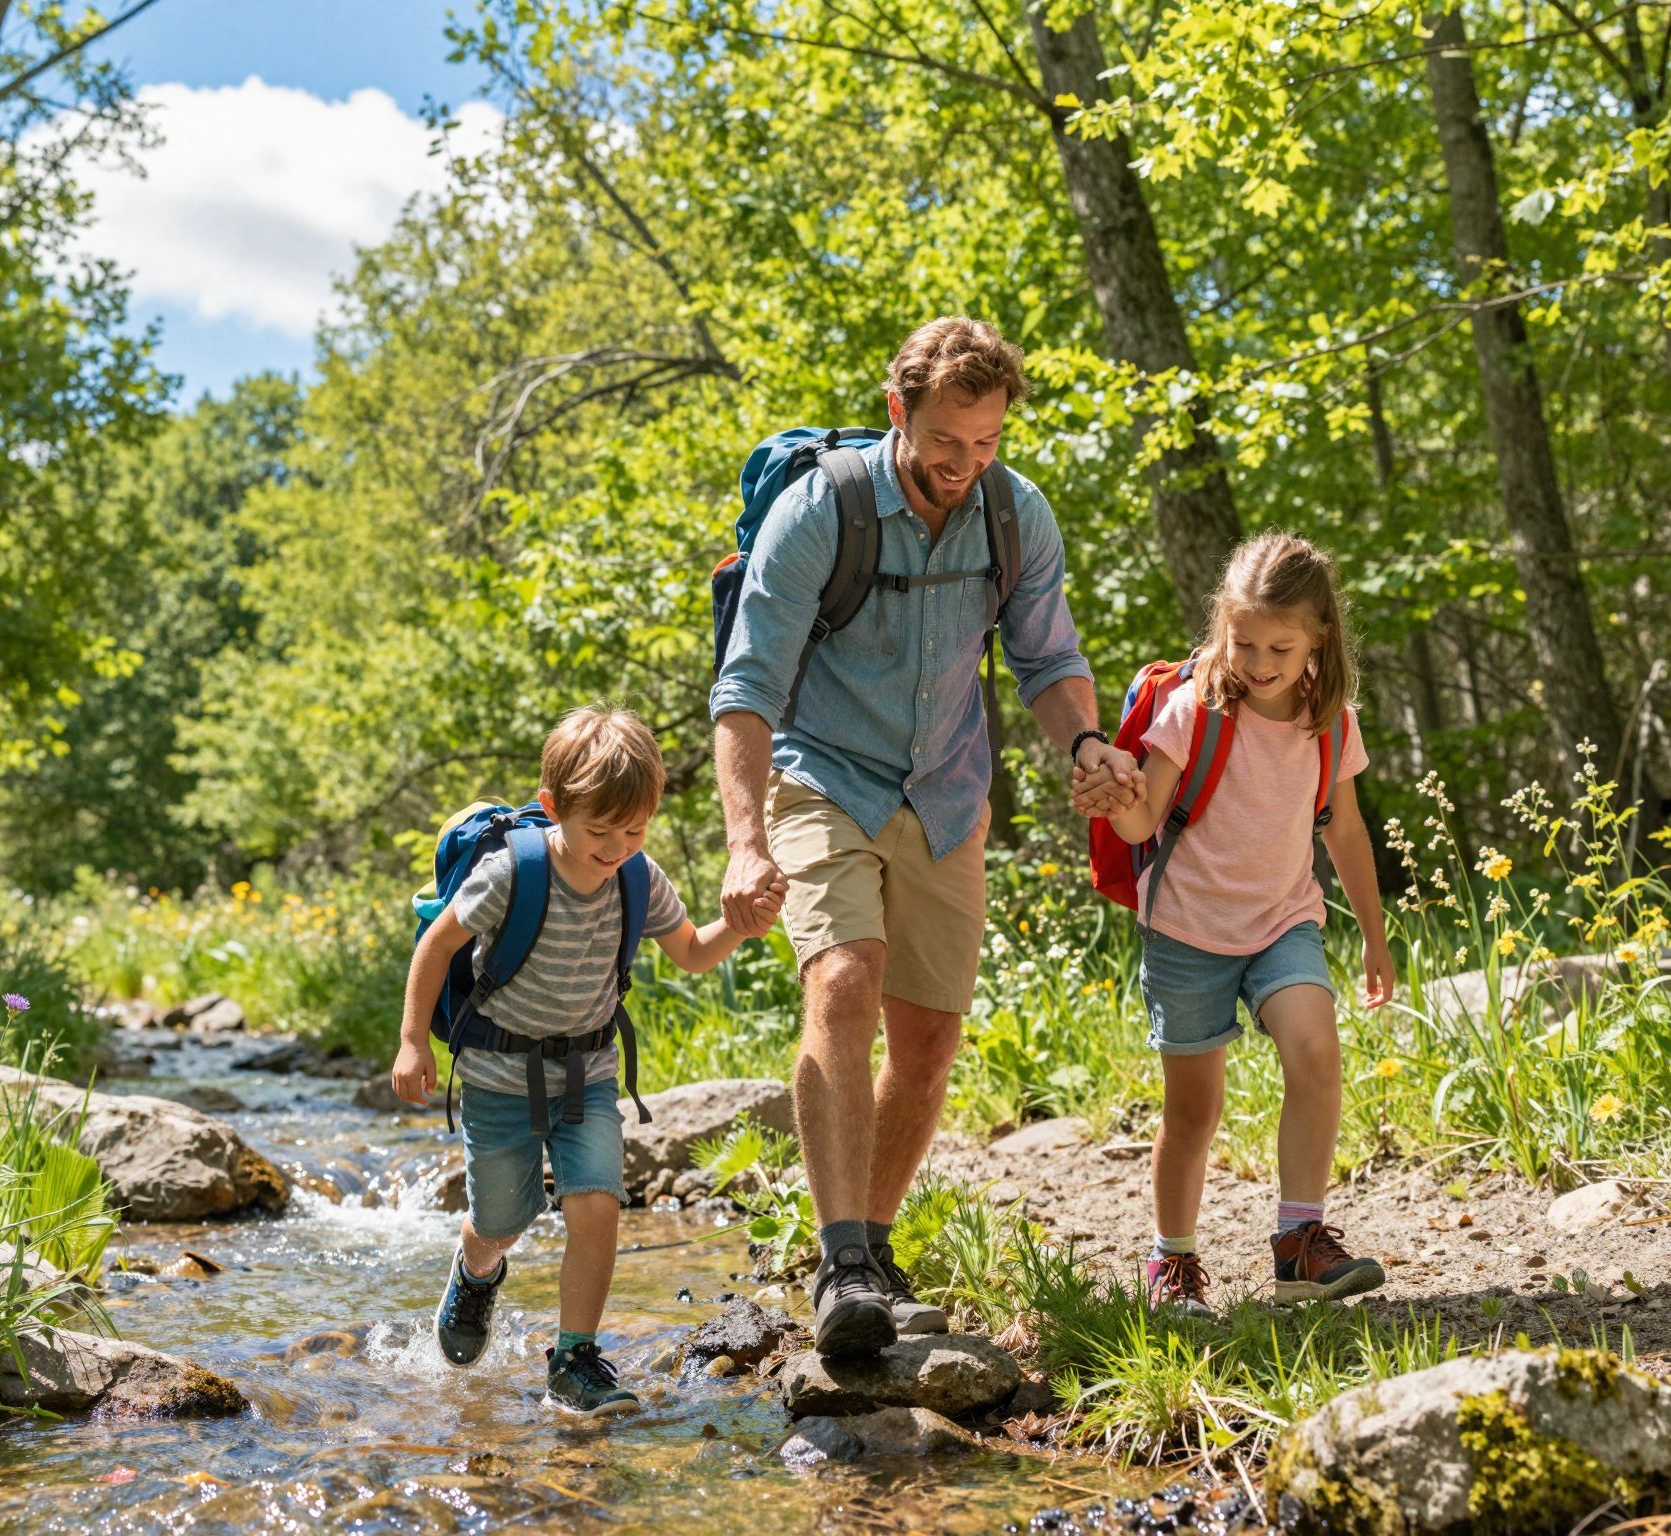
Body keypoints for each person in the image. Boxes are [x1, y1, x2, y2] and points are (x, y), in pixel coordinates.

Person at [711, 317, 1144, 1357]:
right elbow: (747, 686)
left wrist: (1083, 741)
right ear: (898, 409)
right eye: (947, 443)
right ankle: (840, 1258)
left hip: (948, 792)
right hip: (823, 775)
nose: (965, 465)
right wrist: (742, 840)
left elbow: (1047, 658)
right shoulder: (824, 508)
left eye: (986, 443)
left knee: (929, 1038)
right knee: (842, 979)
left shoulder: (1013, 512)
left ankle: (876, 1249)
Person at [393, 707, 780, 1414]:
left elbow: (692, 951)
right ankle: (477, 1272)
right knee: (502, 1218)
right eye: (600, 831)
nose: (617, 848)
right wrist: (413, 1040)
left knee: (598, 1205)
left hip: (587, 1074)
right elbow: (437, 945)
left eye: (634, 831)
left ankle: (573, 1359)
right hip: (496, 1077)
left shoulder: (639, 877)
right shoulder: (513, 874)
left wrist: (740, 925)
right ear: (553, 809)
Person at [1080, 532, 1395, 1315]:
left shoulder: (1332, 722)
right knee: (1193, 1110)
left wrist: (1376, 938)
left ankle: (1298, 1242)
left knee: (1316, 1048)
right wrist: (1117, 802)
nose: (1258, 662)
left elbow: (1345, 831)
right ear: (1224, 626)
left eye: (1280, 647)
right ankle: (1174, 1259)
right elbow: (1145, 815)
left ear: (1320, 634)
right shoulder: (1193, 711)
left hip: (1283, 921)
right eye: (1243, 641)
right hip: (1186, 931)